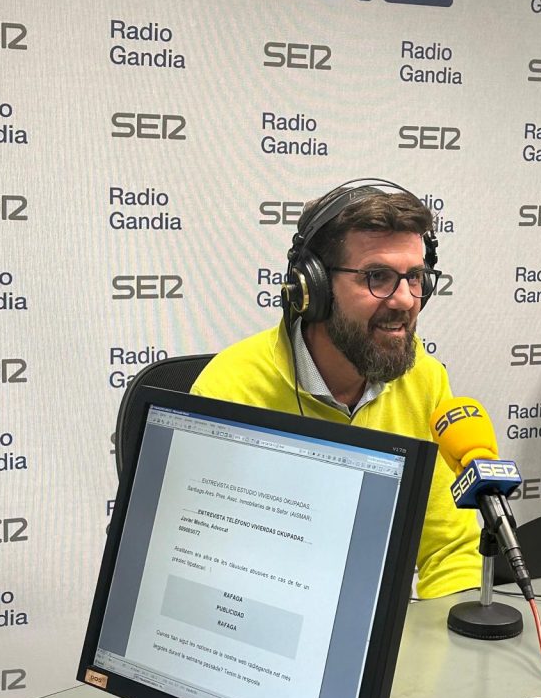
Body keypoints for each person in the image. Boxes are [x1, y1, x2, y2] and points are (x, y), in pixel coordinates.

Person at [192, 178, 481, 598]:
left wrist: (454, 632)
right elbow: (203, 560)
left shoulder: (425, 378)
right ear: (314, 288)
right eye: (378, 277)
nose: (405, 299)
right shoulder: (230, 388)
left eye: (416, 277)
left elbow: (451, 550)